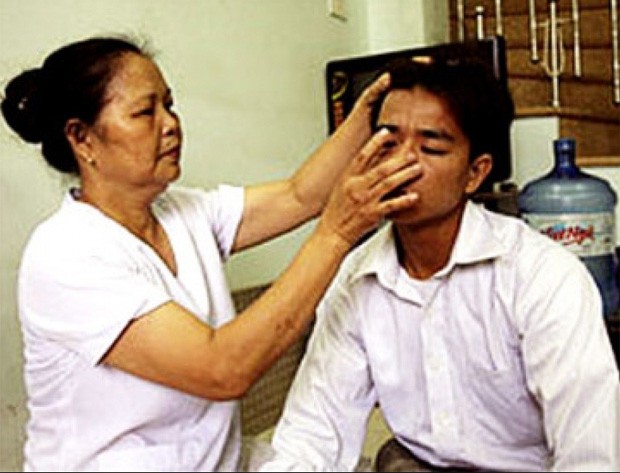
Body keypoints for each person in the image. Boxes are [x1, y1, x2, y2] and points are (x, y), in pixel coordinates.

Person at [0, 36, 423, 472]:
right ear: (82, 139)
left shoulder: (182, 211)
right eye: (146, 112)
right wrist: (336, 233)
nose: (171, 124)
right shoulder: (66, 254)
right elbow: (223, 369)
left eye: (170, 105)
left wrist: (368, 115)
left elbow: (300, 196)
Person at [259, 57, 620, 472]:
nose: (401, 165)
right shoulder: (355, 277)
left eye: (430, 147)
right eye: (387, 144)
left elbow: (590, 454)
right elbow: (314, 432)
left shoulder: (542, 277)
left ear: (475, 173)